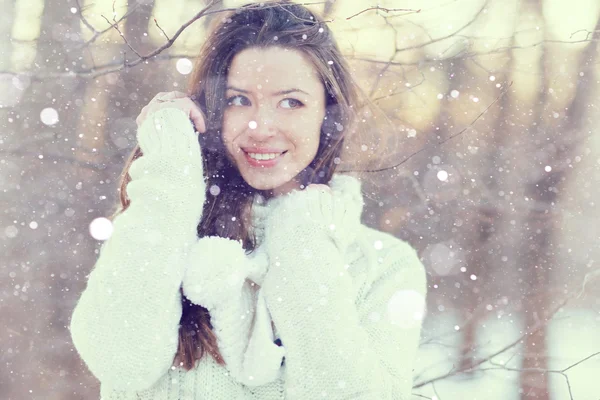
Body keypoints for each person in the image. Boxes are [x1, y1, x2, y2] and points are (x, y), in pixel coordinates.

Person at [69, 1, 428, 399]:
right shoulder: (164, 220)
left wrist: (303, 243)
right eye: (239, 100)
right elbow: (121, 362)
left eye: (291, 102)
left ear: (327, 114)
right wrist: (171, 166)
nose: (261, 128)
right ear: (212, 107)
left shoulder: (382, 264)